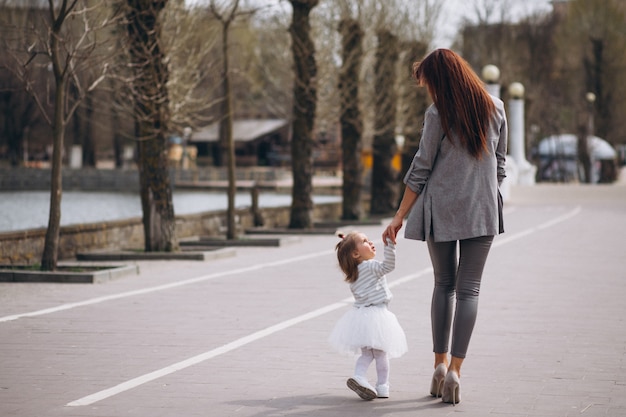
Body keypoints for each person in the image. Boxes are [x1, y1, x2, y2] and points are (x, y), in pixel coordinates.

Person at [382, 48, 508, 405]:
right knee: (470, 290)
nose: (428, 91)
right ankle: (455, 370)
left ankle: (437, 365)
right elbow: (500, 165)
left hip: (440, 210)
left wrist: (398, 217)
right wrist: (483, 191)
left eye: (429, 84)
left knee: (444, 284)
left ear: (441, 81)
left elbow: (420, 168)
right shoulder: (496, 107)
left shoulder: (437, 113)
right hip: (481, 210)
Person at [329, 231, 408, 400]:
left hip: (360, 318)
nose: (370, 242)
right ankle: (383, 386)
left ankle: (359, 376)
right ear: (356, 253)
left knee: (366, 354)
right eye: (364, 241)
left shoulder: (353, 274)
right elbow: (388, 266)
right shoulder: (370, 266)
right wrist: (390, 246)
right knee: (381, 355)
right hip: (378, 315)